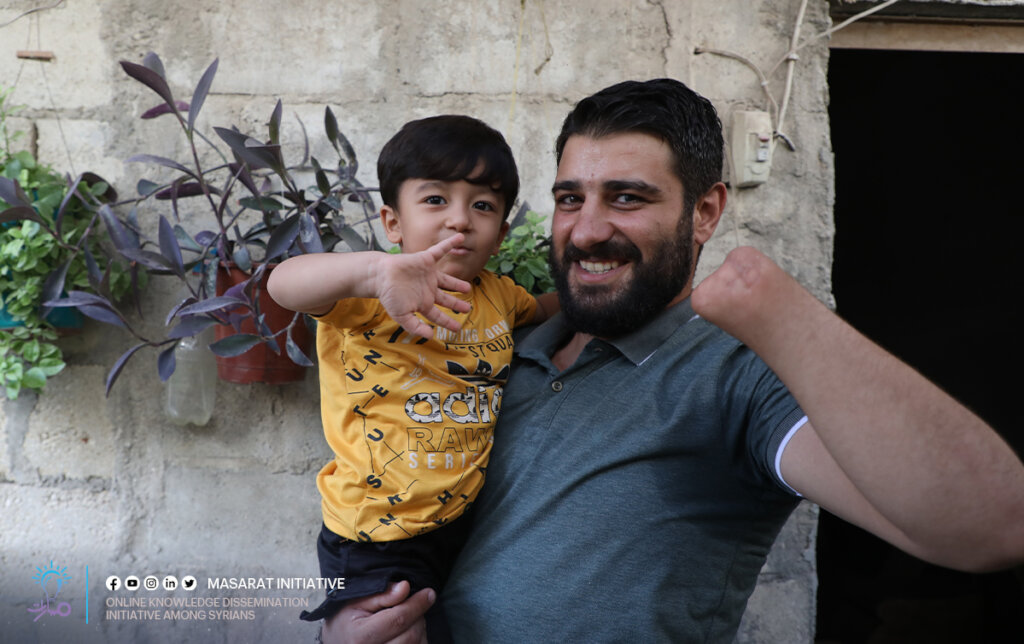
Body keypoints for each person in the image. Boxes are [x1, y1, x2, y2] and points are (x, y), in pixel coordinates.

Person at [322, 79, 1024, 643]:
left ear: (707, 212)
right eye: (570, 199)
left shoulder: (739, 376)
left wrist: (780, 309)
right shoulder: (503, 342)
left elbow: (993, 525)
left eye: (627, 198)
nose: (587, 230)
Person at [267, 114, 558, 642]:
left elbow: (548, 310)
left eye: (483, 206)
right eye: (435, 199)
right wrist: (372, 271)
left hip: (462, 522)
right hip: (377, 532)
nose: (460, 220)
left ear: (501, 234)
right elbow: (282, 285)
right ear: (393, 222)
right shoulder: (371, 294)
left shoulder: (501, 296)